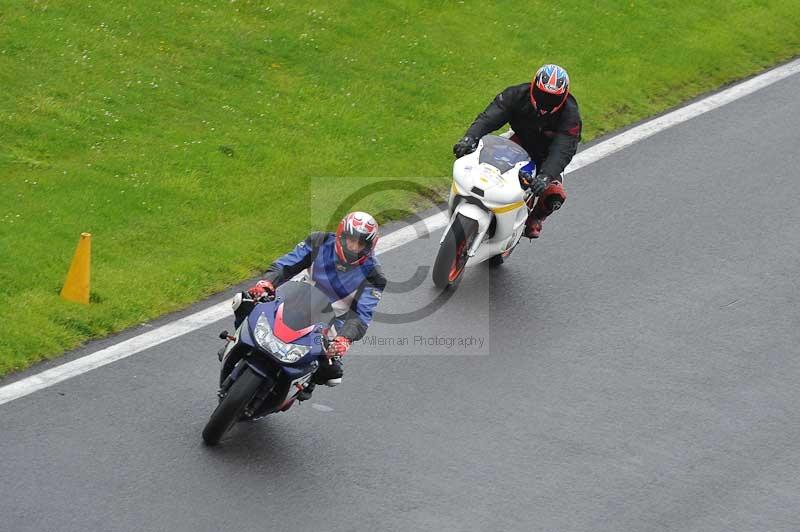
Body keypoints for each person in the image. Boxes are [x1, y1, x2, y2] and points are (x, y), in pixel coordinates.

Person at [241, 211, 385, 401]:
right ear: (341, 235)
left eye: (360, 244)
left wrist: (344, 339)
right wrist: (267, 283)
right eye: (351, 240)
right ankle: (239, 340)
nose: (354, 247)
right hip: (299, 294)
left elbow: (362, 316)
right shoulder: (319, 241)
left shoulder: (375, 276)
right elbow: (287, 264)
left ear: (369, 247)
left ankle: (308, 382)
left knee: (332, 370)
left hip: (334, 316)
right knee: (245, 301)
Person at [453, 64, 582, 238]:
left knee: (555, 195)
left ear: (563, 97)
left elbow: (563, 150)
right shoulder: (516, 94)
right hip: (517, 141)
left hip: (547, 157)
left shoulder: (570, 116)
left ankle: (535, 218)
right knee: (476, 156)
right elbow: (490, 116)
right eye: (542, 94)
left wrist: (546, 176)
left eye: (551, 99)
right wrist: (470, 137)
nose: (545, 102)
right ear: (533, 87)